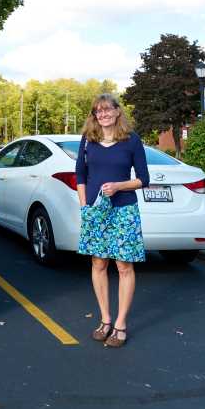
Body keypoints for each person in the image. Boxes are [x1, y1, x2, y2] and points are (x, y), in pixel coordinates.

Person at [76, 93, 149, 348]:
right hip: (96, 211)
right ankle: (105, 319)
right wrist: (84, 206)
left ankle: (120, 324)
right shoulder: (88, 140)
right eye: (98, 111)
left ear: (118, 112)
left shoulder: (131, 141)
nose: (103, 114)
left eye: (108, 110)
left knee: (124, 266)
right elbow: (80, 175)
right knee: (98, 263)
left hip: (124, 210)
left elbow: (143, 179)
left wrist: (119, 186)